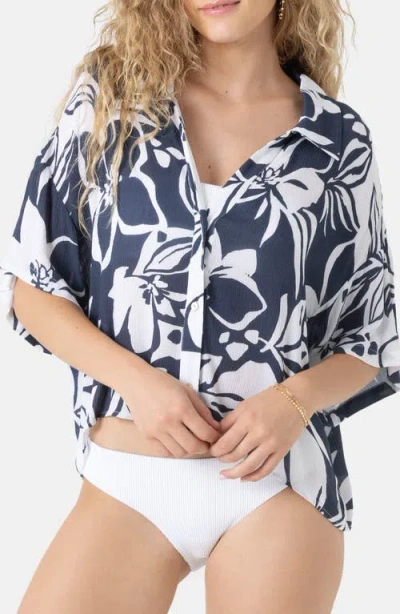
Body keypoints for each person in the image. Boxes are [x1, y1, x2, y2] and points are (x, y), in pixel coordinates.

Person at [1, 0, 400, 612]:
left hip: (279, 485)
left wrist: (294, 401)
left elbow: (370, 335)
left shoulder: (336, 142)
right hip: (127, 479)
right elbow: (33, 287)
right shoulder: (111, 102)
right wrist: (137, 383)